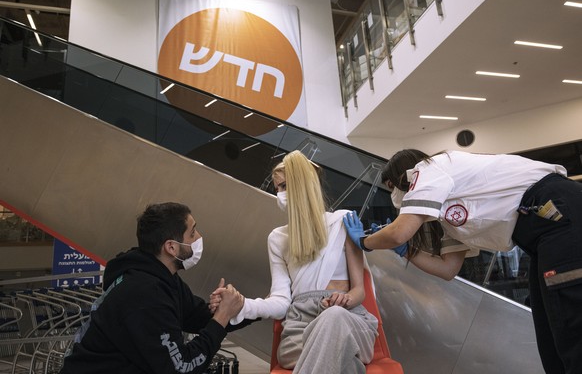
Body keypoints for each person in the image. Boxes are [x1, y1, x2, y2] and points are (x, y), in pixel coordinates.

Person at [343, 149, 582, 374]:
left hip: (556, 213)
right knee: (551, 335)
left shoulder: (429, 169)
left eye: (392, 188)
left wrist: (365, 242)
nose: (395, 197)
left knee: (570, 327)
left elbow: (398, 231)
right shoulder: (446, 209)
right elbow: (448, 268)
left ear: (403, 177)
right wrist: (406, 251)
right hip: (541, 234)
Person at [214, 150, 378, 374]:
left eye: (283, 186)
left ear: (302, 185)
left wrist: (346, 299)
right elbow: (281, 301)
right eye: (277, 188)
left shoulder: (342, 221)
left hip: (347, 319)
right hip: (299, 328)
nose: (279, 194)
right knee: (342, 358)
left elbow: (360, 290)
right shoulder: (277, 238)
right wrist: (243, 305)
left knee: (334, 318)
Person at [60, 202, 246, 374]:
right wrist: (221, 318)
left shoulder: (162, 278)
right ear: (171, 247)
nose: (199, 238)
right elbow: (182, 367)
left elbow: (198, 316)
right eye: (192, 233)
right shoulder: (145, 294)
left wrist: (258, 306)